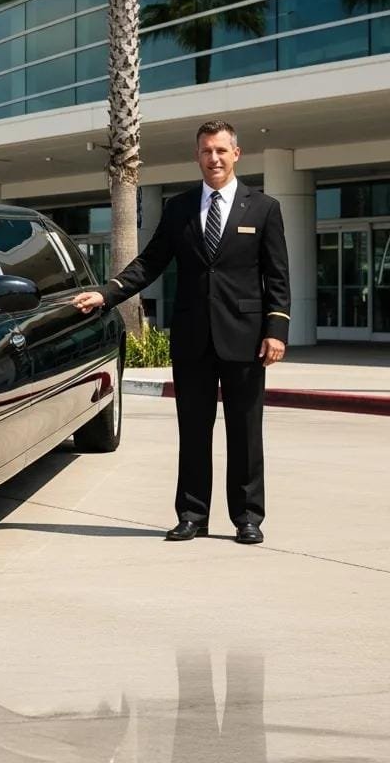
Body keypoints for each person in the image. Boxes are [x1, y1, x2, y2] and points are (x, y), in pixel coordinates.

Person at [72, 120, 290, 544]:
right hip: (192, 337)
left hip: (245, 337)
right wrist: (107, 293)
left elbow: (277, 277)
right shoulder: (180, 208)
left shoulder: (263, 208)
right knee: (193, 429)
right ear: (198, 156)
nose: (214, 159)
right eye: (207, 151)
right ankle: (192, 514)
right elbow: (149, 263)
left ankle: (248, 517)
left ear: (236, 154)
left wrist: (276, 330)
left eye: (222, 151)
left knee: (245, 429)